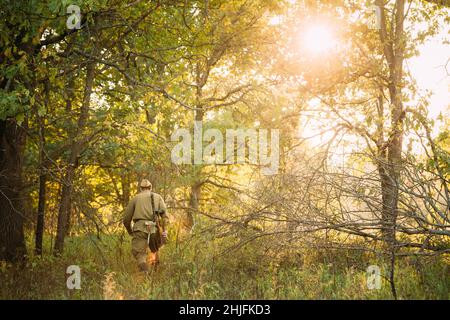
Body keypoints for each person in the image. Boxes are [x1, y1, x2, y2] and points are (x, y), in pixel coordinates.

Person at [123, 179, 169, 272]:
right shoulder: (158, 197)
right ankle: (155, 274)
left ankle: (145, 273)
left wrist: (130, 231)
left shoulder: (135, 198)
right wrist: (165, 231)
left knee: (140, 254)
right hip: (154, 227)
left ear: (141, 188)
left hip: (139, 228)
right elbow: (165, 216)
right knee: (155, 250)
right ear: (150, 187)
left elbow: (126, 219)